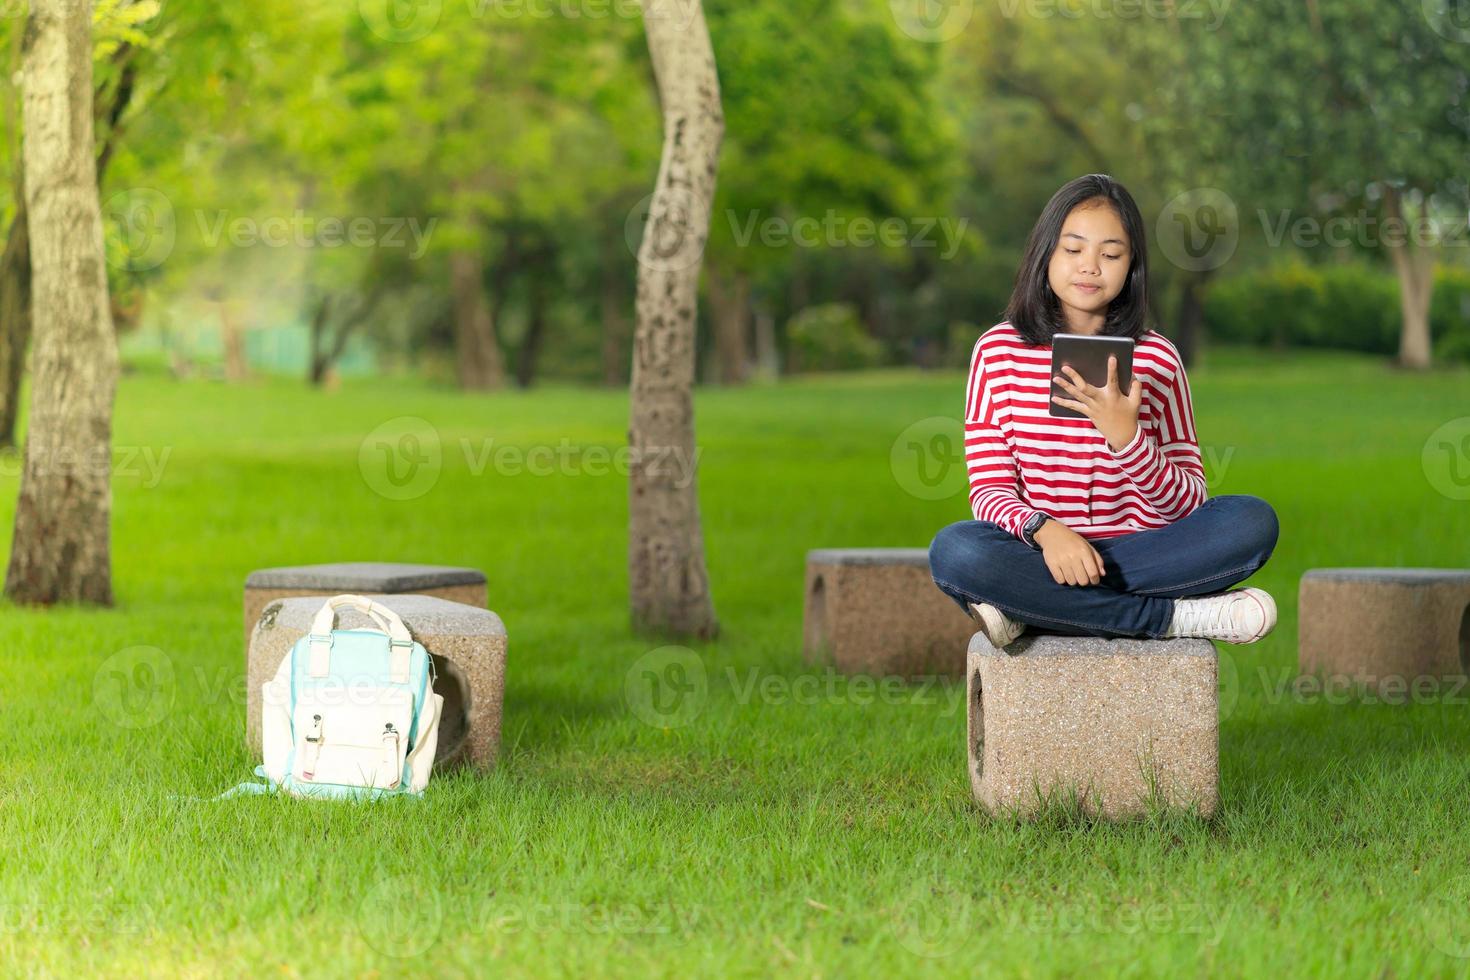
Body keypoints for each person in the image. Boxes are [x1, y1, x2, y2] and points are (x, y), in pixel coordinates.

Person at [927, 174, 1279, 648]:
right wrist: (1046, 532)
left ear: (1132, 265)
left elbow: (1188, 503)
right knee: (957, 551)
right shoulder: (998, 352)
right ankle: (1173, 619)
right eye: (1073, 250)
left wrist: (1128, 441)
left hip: (1141, 554)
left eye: (1110, 254)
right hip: (1041, 551)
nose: (1090, 267)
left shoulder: (1158, 359)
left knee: (1250, 522)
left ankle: (1031, 610)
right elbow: (989, 492)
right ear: (1045, 254)